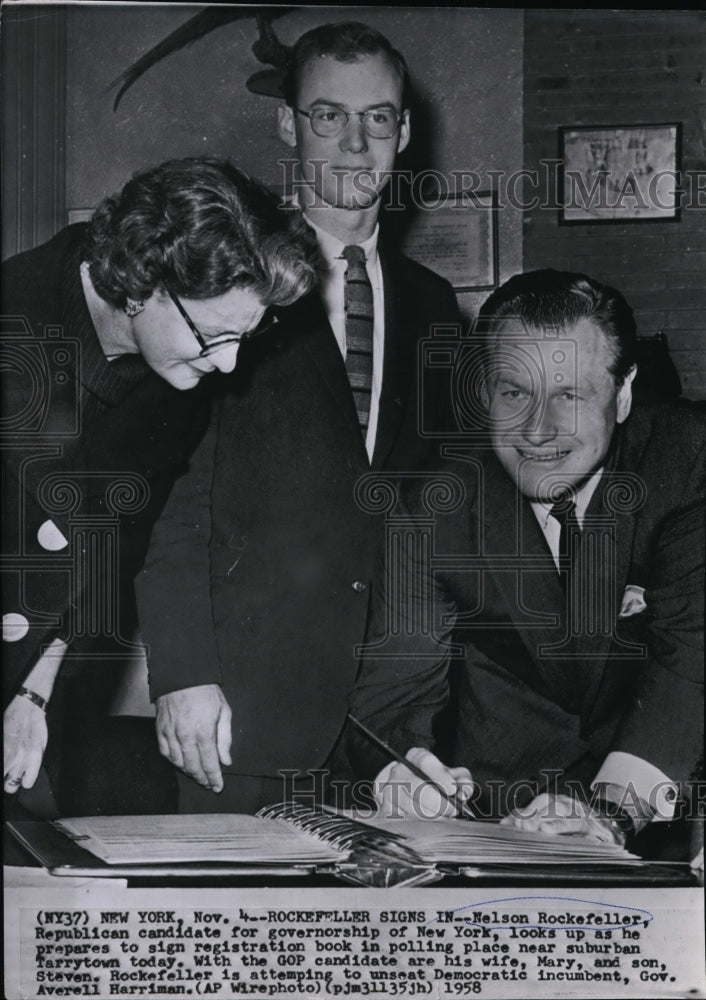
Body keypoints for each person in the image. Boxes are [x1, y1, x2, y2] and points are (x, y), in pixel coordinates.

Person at [136, 21, 460, 813]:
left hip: (385, 731)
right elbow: (174, 496)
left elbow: (429, 510)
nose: (355, 143)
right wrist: (182, 674)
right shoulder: (228, 285)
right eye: (328, 116)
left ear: (404, 132)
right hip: (242, 717)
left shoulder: (434, 306)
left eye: (377, 118)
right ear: (288, 125)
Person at [349, 269, 704, 857]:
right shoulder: (434, 506)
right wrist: (407, 772)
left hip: (653, 801)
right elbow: (392, 694)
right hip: (491, 822)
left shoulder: (686, 461)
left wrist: (608, 814)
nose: (537, 432)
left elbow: (687, 663)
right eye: (514, 393)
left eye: (569, 395)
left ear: (623, 392)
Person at [2, 157, 318, 815]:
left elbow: (110, 545)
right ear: (143, 282)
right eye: (216, 337)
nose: (230, 365)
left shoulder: (180, 373)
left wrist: (33, 688)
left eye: (246, 338)